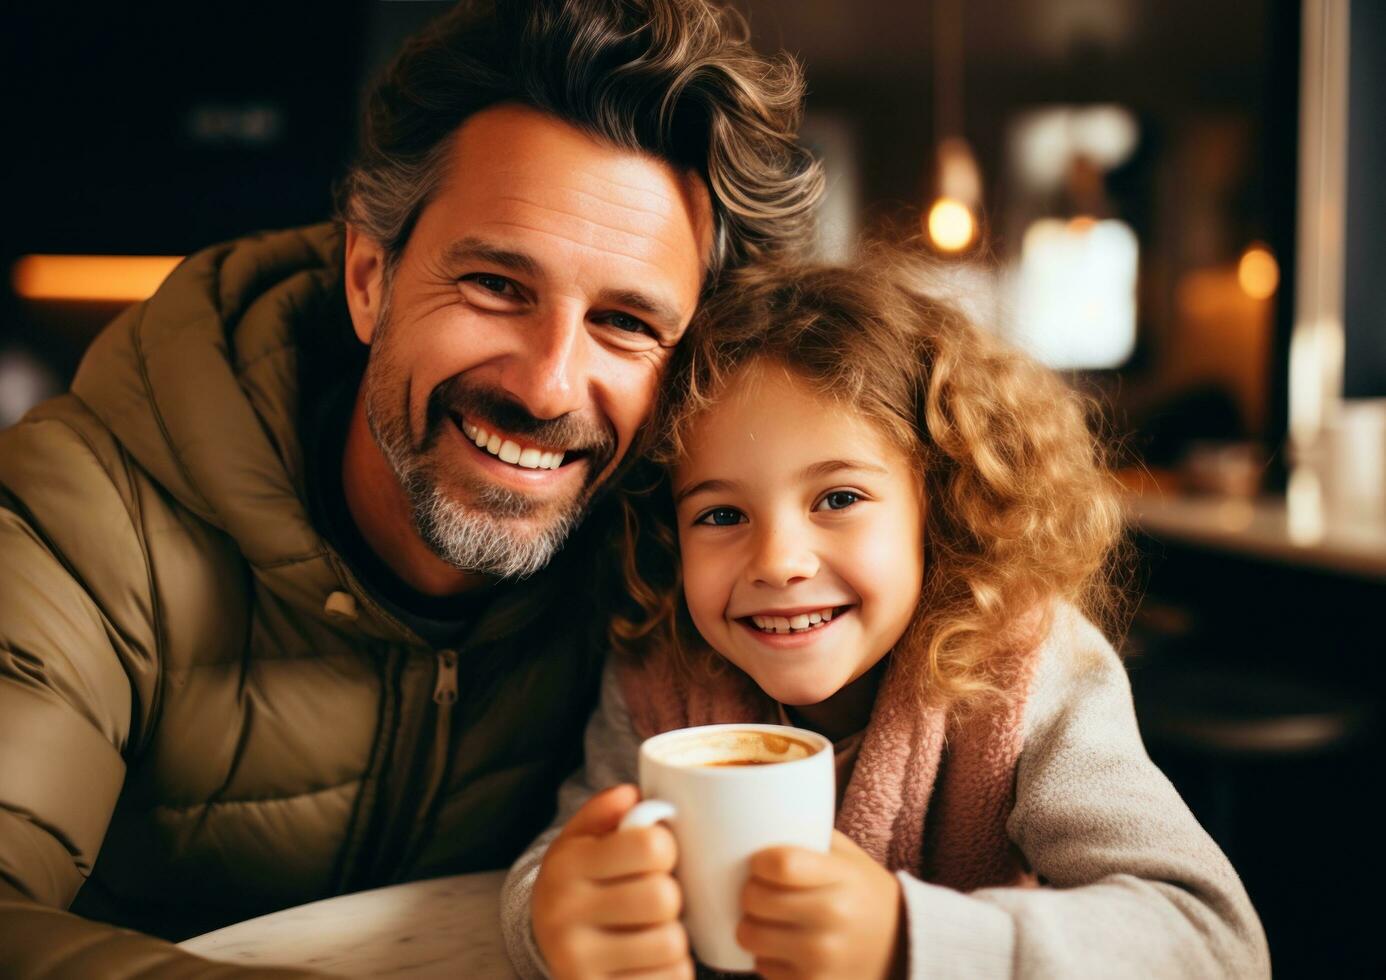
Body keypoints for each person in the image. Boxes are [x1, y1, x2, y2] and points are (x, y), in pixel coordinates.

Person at [0, 1, 823, 975]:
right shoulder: (79, 514)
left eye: (626, 323)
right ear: (367, 275)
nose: (548, 384)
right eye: (495, 286)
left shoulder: (684, 561)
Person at [501, 252, 1271, 979]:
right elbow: (562, 859)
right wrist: (550, 918)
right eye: (721, 514)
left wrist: (910, 941)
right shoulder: (659, 673)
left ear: (940, 510)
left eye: (838, 499)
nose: (778, 560)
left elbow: (1215, 941)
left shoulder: (1027, 669)